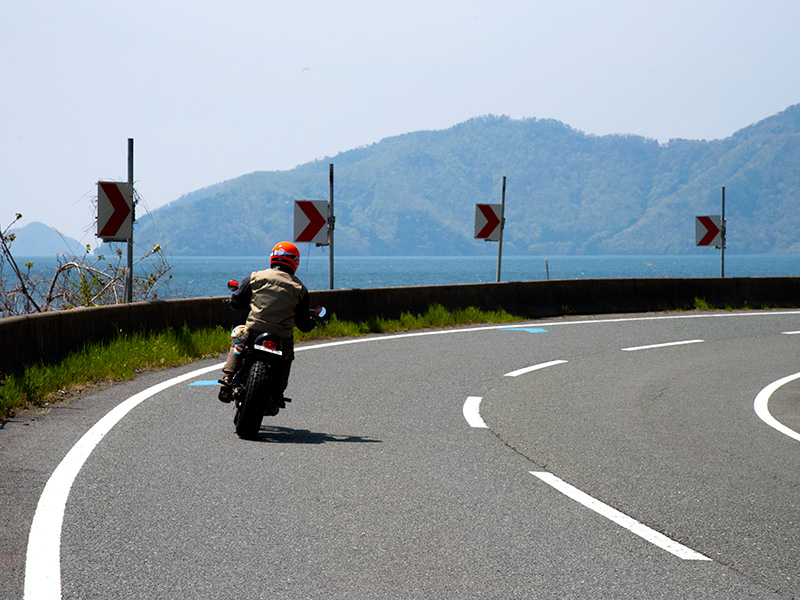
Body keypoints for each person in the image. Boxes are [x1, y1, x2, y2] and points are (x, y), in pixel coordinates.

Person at [219, 241, 315, 404]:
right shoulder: (299, 288)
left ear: (273, 258)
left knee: (238, 342)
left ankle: (228, 378)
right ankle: (278, 392)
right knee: (287, 358)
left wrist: (231, 301)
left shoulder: (255, 277)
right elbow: (302, 323)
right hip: (281, 338)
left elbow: (237, 302)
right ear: (295, 262)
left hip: (254, 330)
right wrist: (311, 323)